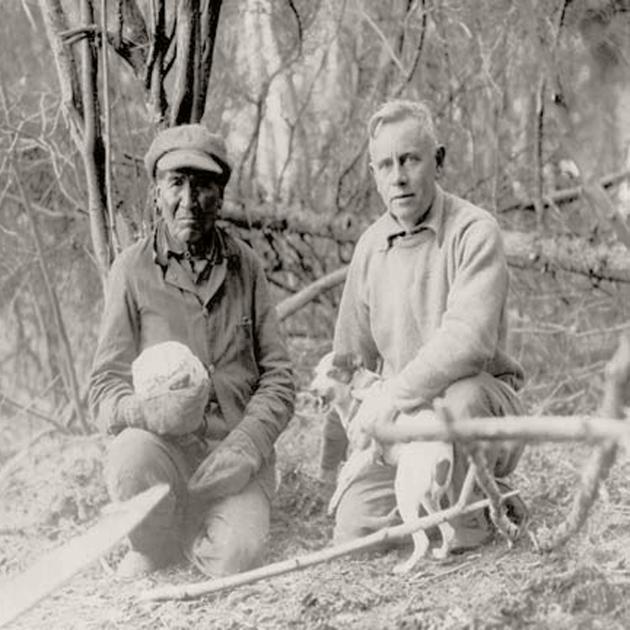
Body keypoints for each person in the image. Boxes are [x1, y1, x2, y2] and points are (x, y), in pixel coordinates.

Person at [89, 124, 295, 579]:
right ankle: (160, 537)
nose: (188, 199)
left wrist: (248, 444)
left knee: (235, 555)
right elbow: (103, 388)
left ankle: (193, 528)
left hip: (235, 457)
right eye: (176, 183)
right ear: (157, 192)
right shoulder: (131, 271)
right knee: (130, 458)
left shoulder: (247, 267)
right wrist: (147, 413)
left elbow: (279, 377)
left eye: (202, 185)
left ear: (219, 196)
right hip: (168, 455)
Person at [323, 99, 526, 549]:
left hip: (478, 409)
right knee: (354, 534)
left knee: (463, 394)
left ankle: (474, 511)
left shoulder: (474, 231)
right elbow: (347, 362)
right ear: (374, 174)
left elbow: (468, 343)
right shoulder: (370, 248)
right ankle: (449, 501)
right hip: (409, 424)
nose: (397, 177)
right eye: (384, 165)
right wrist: (334, 462)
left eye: (410, 160)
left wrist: (391, 397)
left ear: (438, 160)